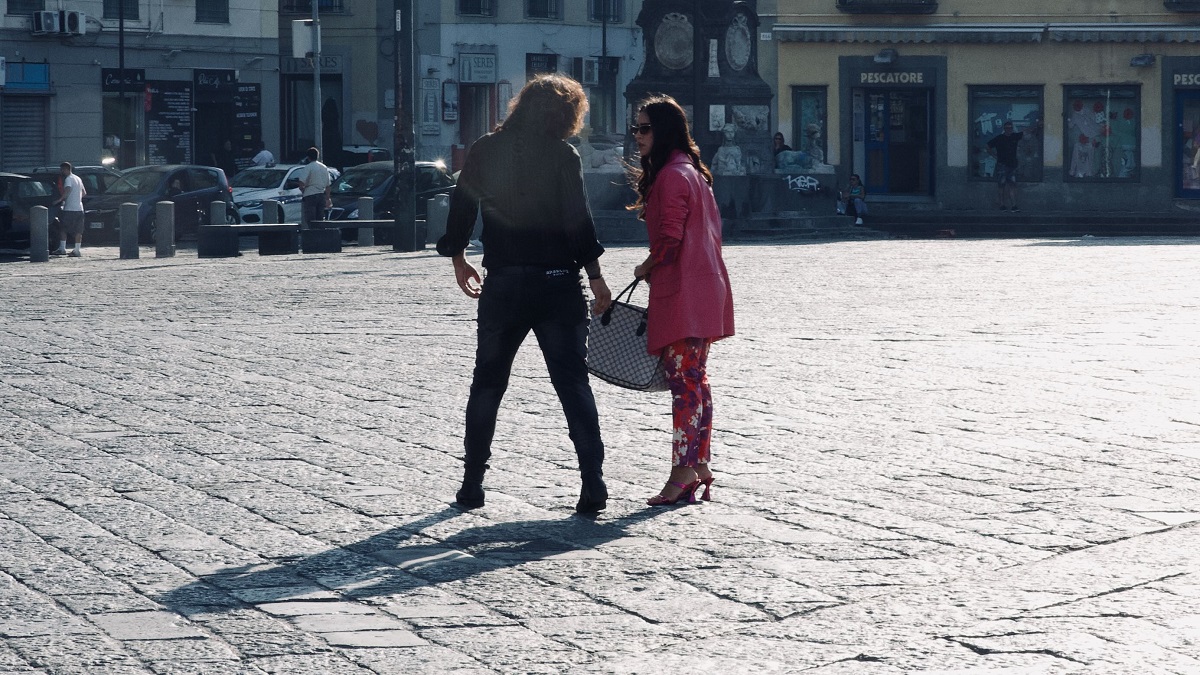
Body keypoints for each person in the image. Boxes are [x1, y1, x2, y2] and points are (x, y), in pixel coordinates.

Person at [436, 73, 614, 514]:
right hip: (557, 284)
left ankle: (471, 484)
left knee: (488, 383)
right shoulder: (562, 155)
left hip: (505, 283)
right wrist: (595, 276)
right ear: (567, 113)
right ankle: (592, 482)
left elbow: (462, 205)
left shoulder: (485, 149)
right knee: (573, 383)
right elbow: (578, 221)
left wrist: (458, 256)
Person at [627, 95, 735, 507]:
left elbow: (669, 240)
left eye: (645, 128)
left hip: (684, 292)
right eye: (636, 128)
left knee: (684, 386)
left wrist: (644, 267)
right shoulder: (693, 173)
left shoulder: (673, 176)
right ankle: (699, 463)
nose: (637, 137)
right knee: (695, 383)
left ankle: (682, 472)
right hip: (705, 289)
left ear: (665, 131)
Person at [50, 162, 86, 257]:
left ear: (66, 169)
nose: (61, 171)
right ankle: (77, 250)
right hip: (80, 208)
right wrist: (77, 198)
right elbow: (84, 192)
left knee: (63, 228)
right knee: (78, 230)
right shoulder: (78, 178)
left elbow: (67, 190)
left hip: (69, 208)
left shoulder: (68, 179)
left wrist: (59, 200)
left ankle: (62, 248)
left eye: (62, 169)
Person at [987, 121, 1025, 211]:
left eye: (1010, 128)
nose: (1009, 129)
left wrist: (1039, 125)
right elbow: (987, 146)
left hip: (1012, 165)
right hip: (1002, 165)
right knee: (1001, 185)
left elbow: (1027, 132)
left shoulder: (1015, 136)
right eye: (1007, 128)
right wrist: (994, 155)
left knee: (1012, 185)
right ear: (1004, 129)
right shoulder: (999, 138)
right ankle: (1001, 205)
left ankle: (1014, 206)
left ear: (1012, 128)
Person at [296, 147, 332, 227]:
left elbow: (301, 183)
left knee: (310, 219)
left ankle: (312, 236)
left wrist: (303, 191)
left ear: (308, 157)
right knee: (320, 219)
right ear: (317, 156)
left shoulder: (308, 167)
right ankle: (320, 236)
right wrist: (327, 198)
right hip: (321, 195)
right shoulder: (324, 167)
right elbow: (328, 186)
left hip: (310, 195)